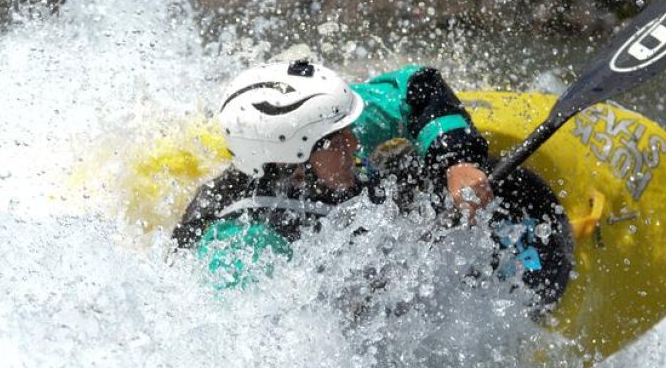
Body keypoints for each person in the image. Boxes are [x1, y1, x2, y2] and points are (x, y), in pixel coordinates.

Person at [173, 59, 496, 287]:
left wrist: (457, 162)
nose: (354, 142)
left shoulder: (321, 123)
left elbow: (417, 85)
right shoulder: (242, 247)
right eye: (338, 141)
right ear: (292, 168)